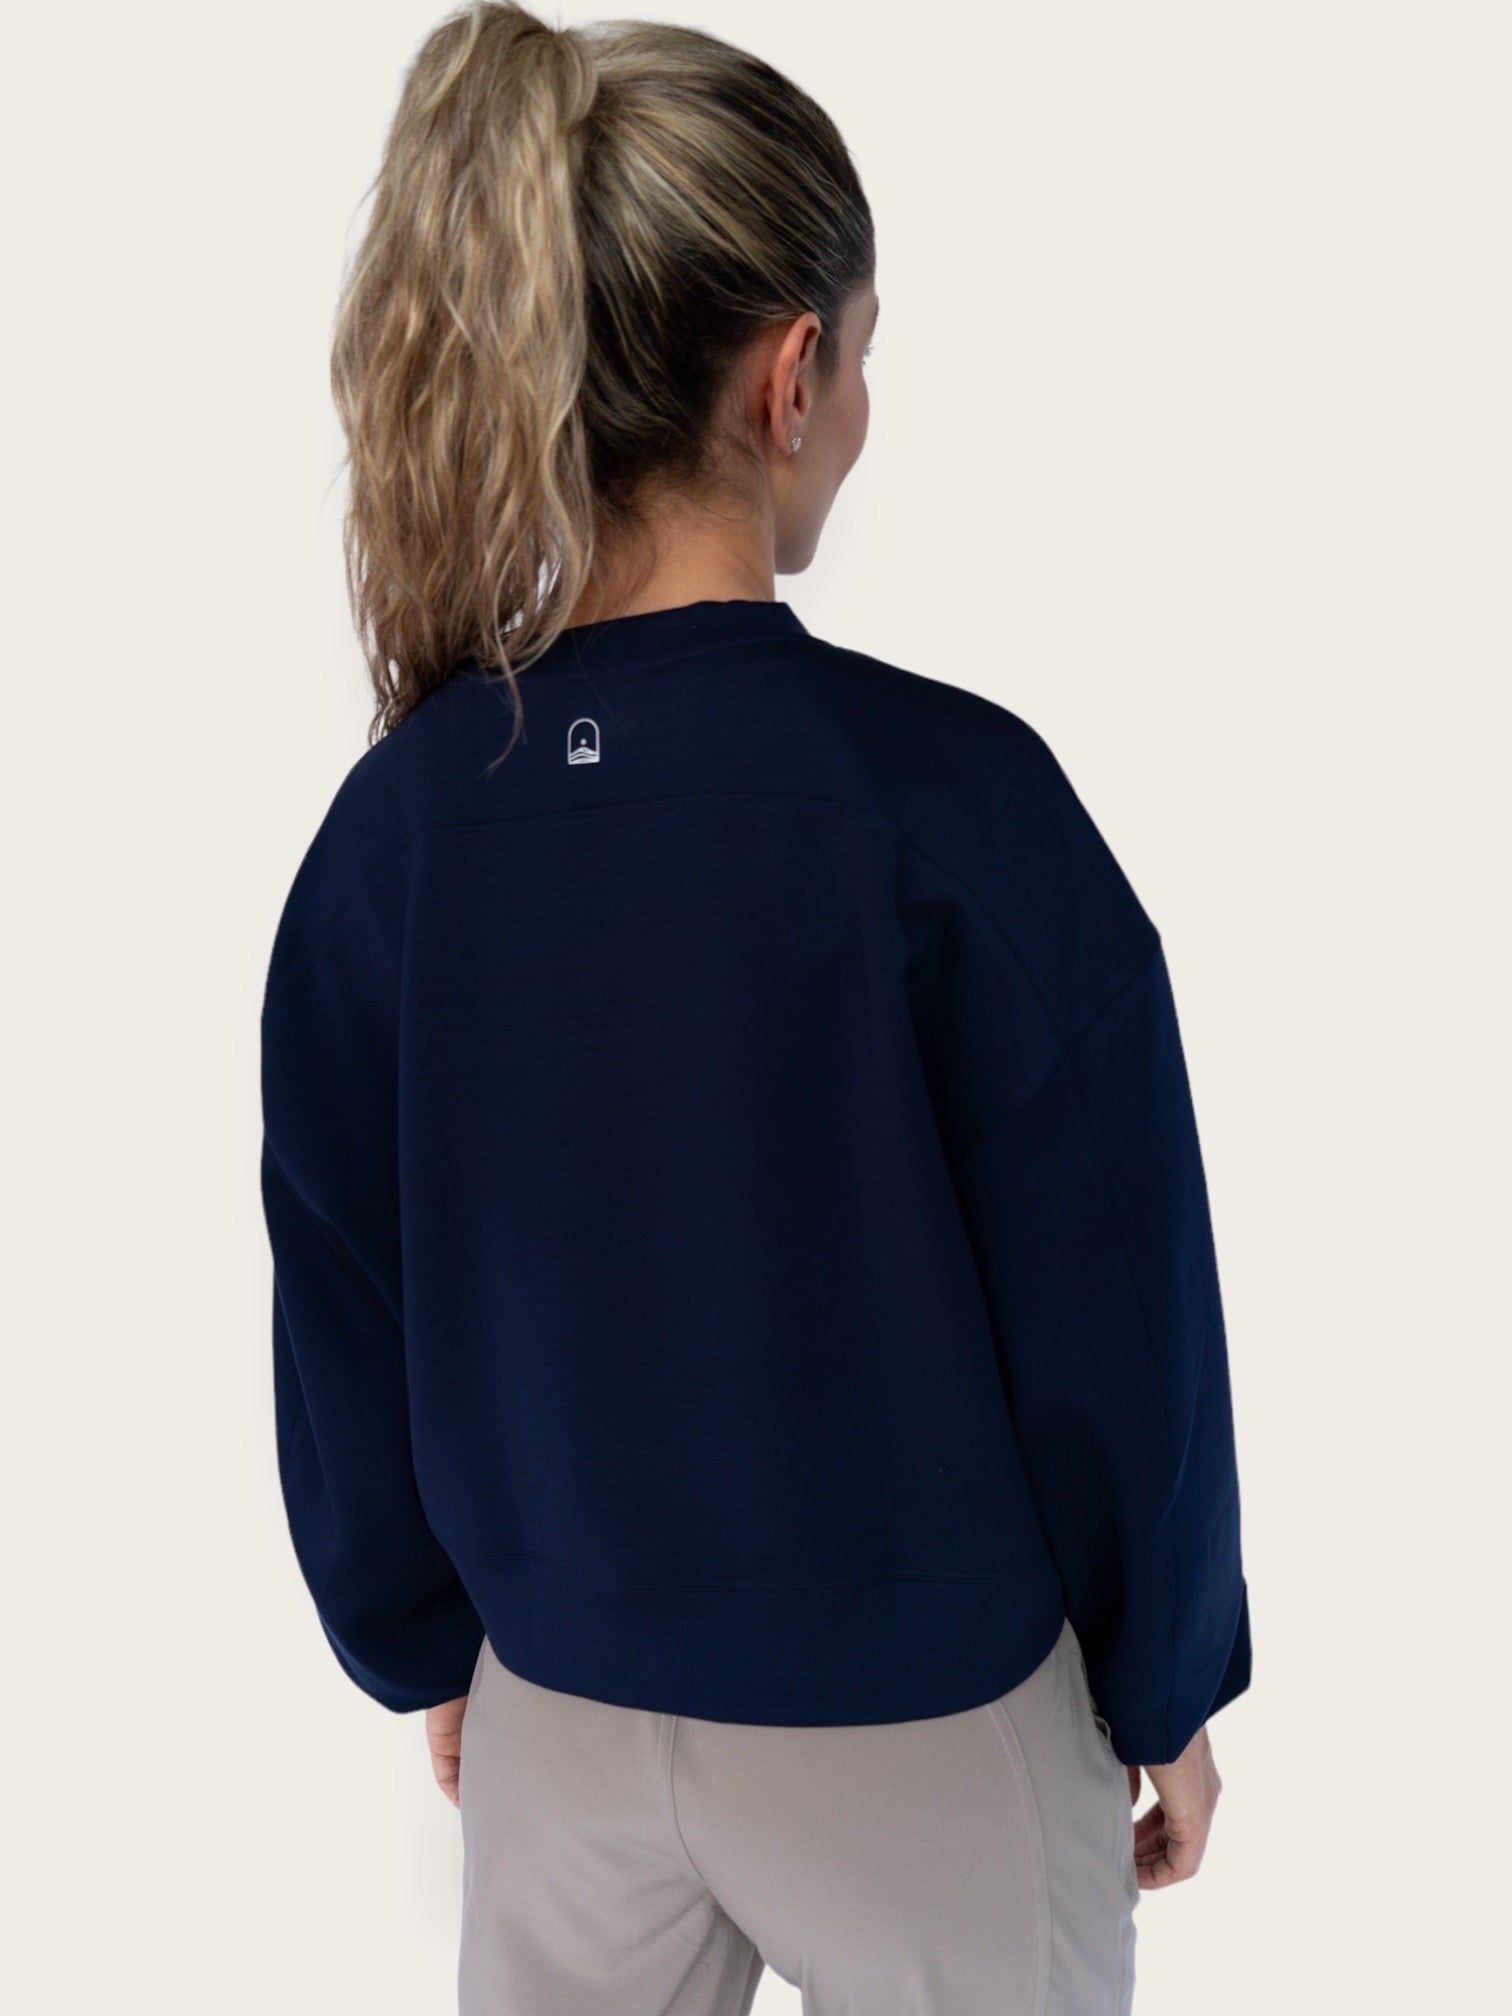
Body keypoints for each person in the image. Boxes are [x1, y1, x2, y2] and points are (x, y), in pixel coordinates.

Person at [257, 5, 1252, 2012]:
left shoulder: (399, 825)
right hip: (918, 1713)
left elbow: (340, 1277)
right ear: (790, 378)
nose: (864, 404)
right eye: (864, 353)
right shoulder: (947, 804)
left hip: (558, 1708)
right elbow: (1113, 1300)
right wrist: (1166, 1680)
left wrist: (432, 1639)